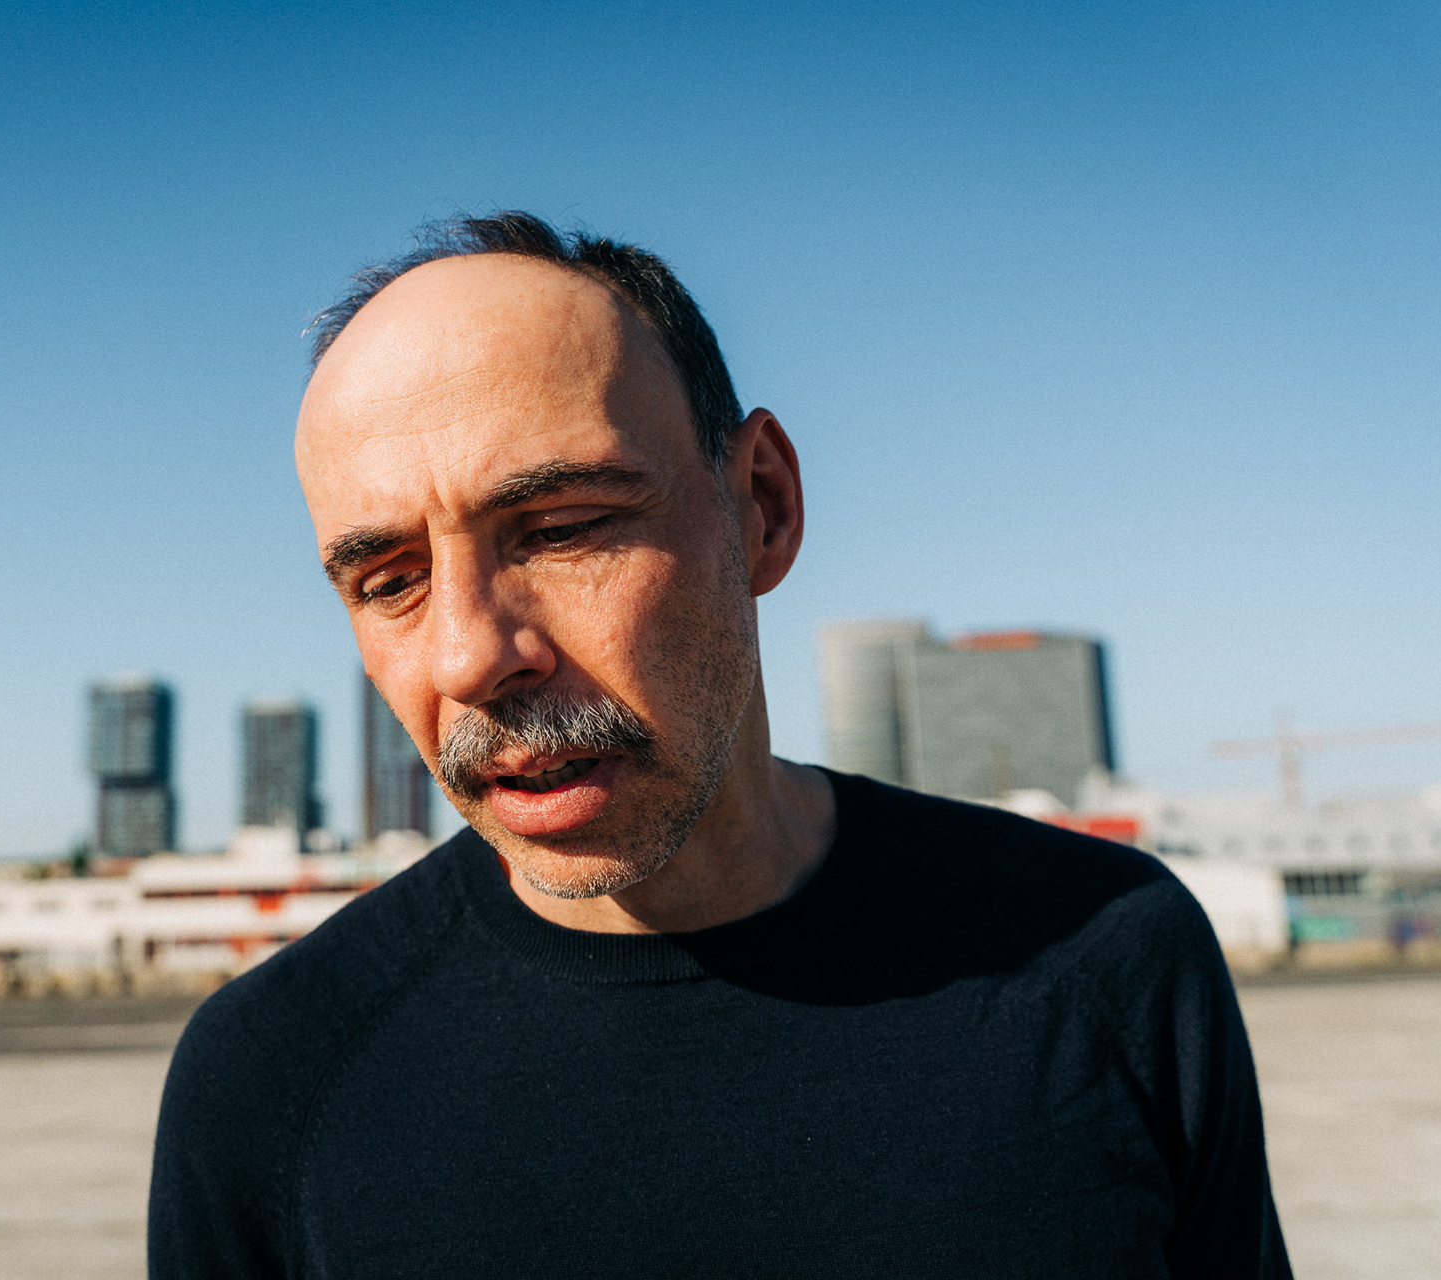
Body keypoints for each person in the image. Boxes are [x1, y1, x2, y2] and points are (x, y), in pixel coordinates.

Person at [149, 212, 1291, 1278]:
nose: (468, 656)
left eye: (562, 528)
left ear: (763, 504)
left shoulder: (1109, 958)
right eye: (388, 579)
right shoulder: (266, 1083)